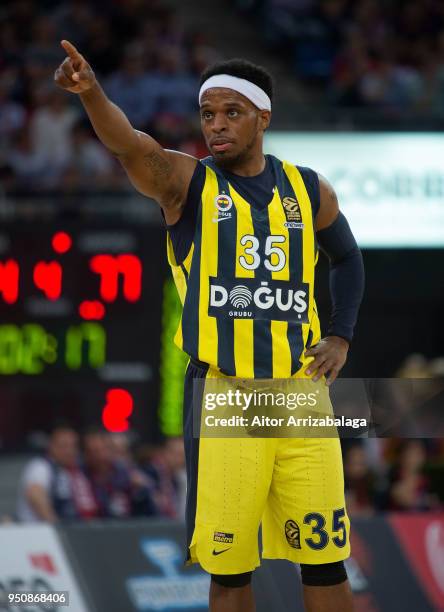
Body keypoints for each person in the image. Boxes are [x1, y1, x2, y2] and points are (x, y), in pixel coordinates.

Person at [55, 40, 364, 612]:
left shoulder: (308, 189)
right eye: (207, 114)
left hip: (302, 397)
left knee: (326, 562)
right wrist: (92, 92)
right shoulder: (185, 182)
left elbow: (347, 258)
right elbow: (128, 145)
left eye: (231, 113)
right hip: (226, 396)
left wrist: (341, 334)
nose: (216, 126)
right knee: (229, 572)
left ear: (262, 117)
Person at [17, 424, 98, 523]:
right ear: (52, 446)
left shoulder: (78, 470)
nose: (70, 451)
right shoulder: (40, 467)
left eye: (73, 446)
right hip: (43, 532)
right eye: (64, 446)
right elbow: (35, 495)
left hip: (75, 529)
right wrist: (57, 526)